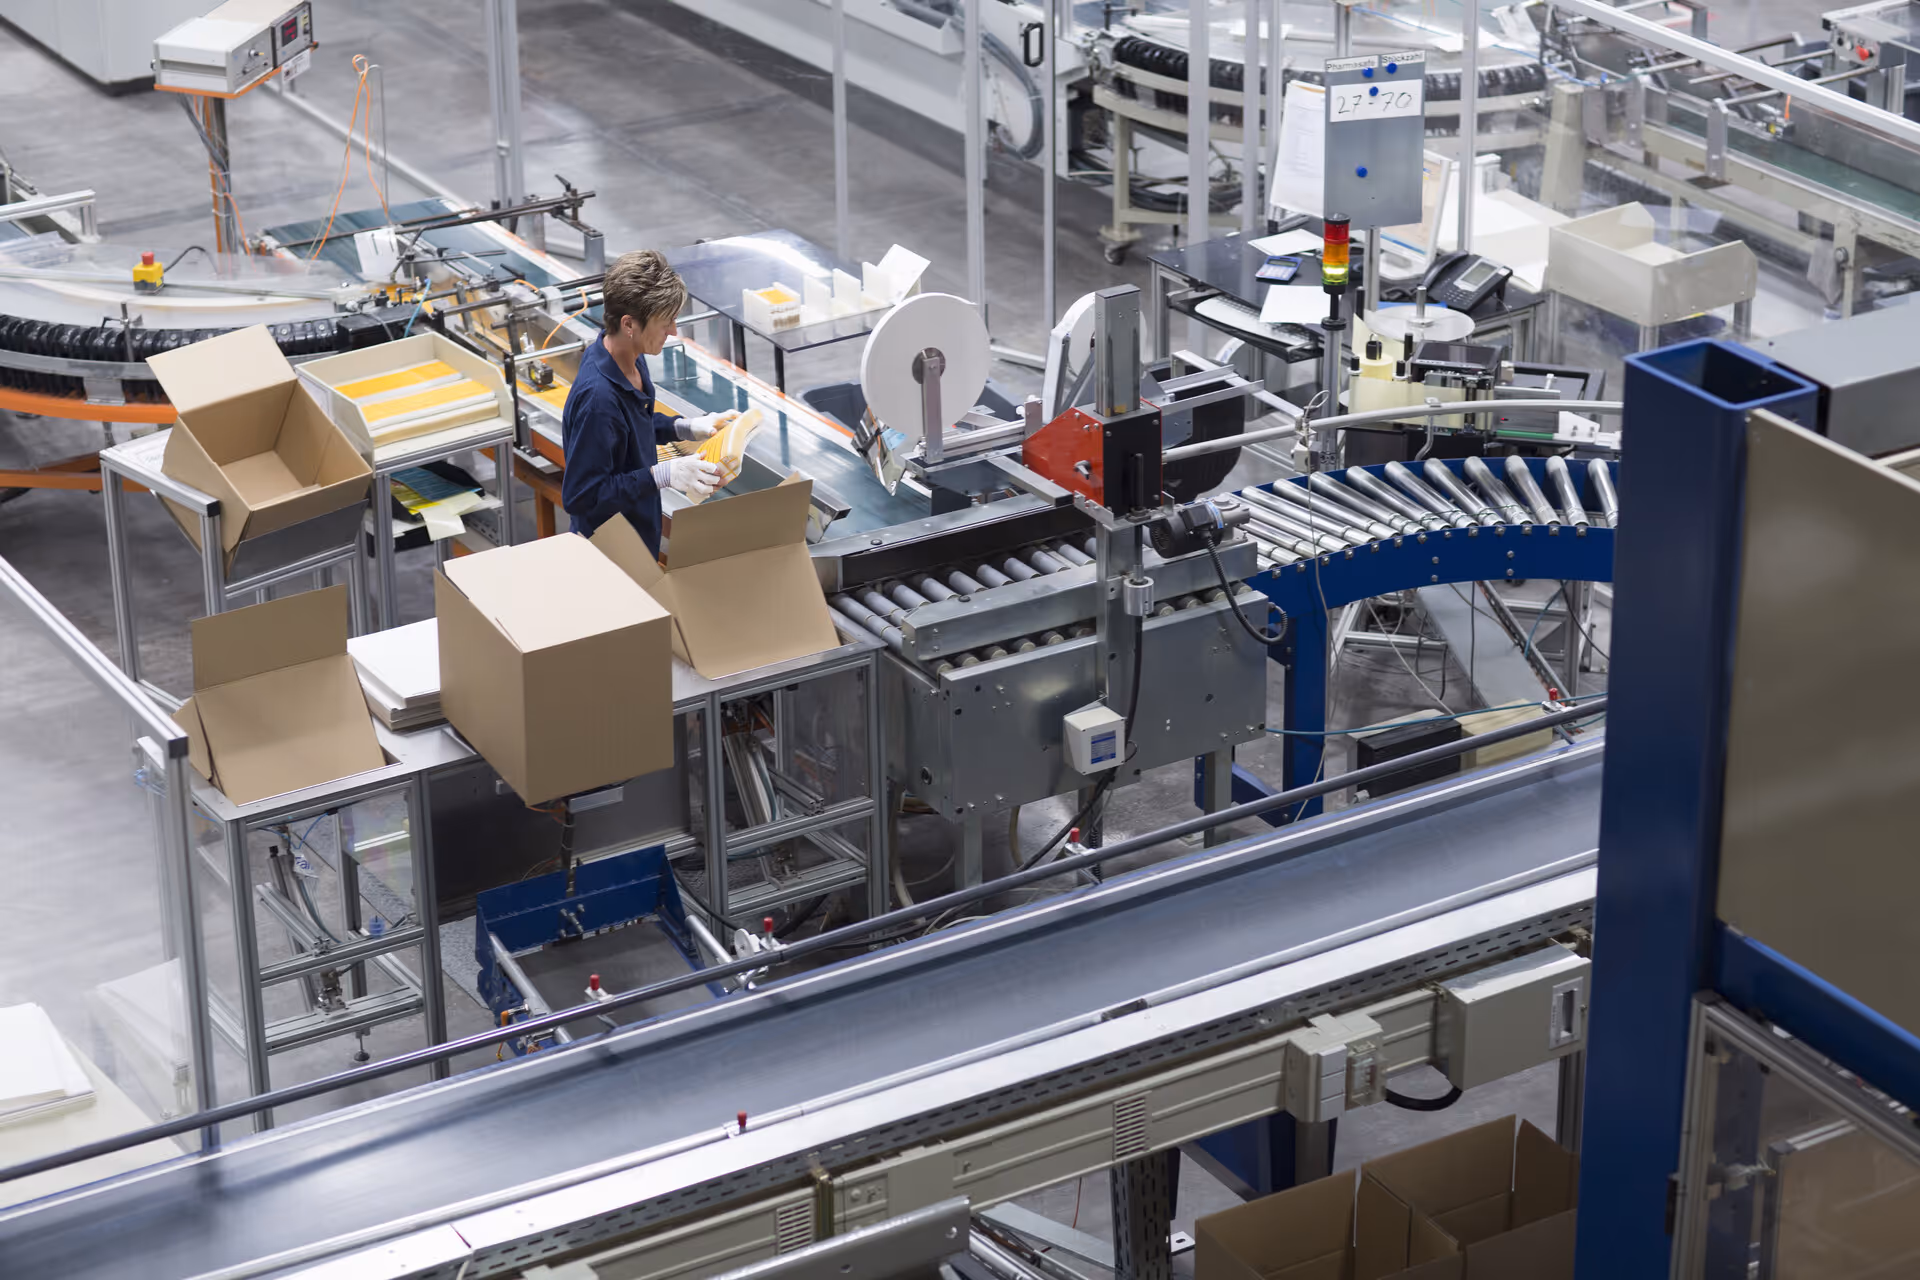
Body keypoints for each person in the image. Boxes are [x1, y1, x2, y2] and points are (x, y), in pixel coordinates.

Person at [560, 249, 734, 554]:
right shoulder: (598, 400)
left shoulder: (628, 357)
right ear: (629, 324)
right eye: (665, 322)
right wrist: (664, 475)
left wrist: (685, 427)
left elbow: (631, 425)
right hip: (608, 552)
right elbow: (581, 496)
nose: (673, 331)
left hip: (638, 536)